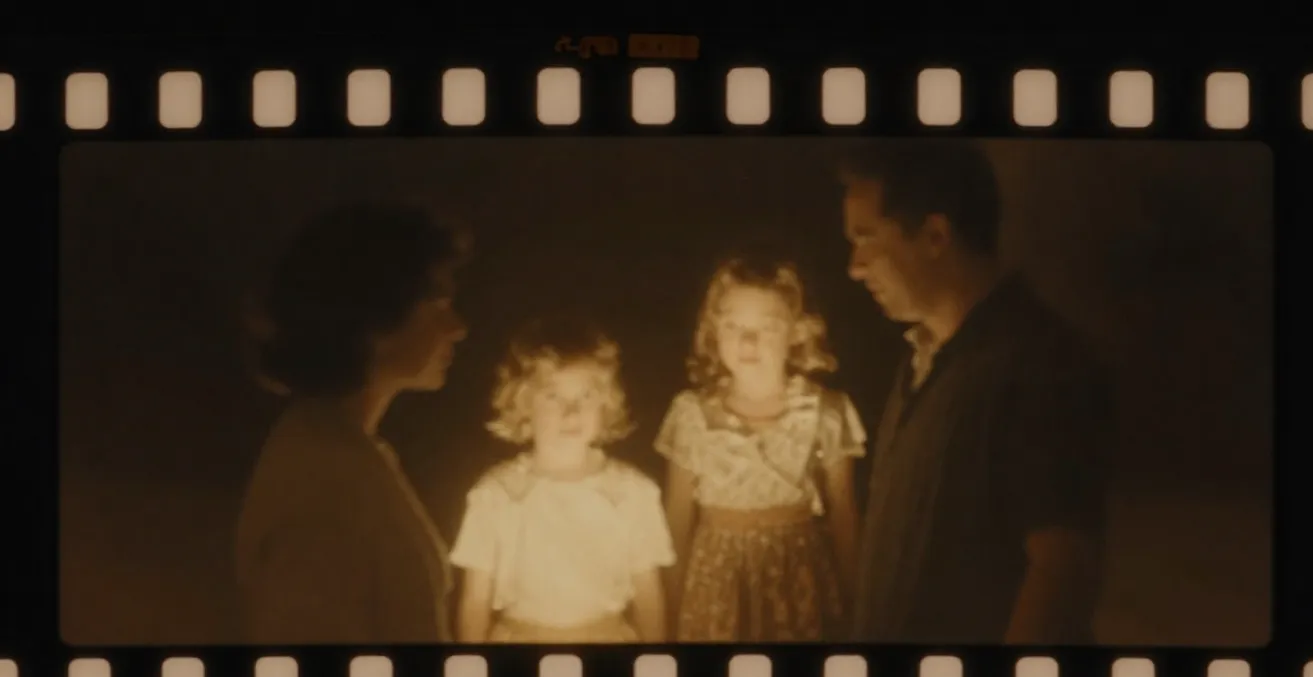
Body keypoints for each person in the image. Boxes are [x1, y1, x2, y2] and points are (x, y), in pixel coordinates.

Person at [840, 140, 1113, 645]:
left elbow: (1062, 566)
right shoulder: (923, 358)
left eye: (866, 238)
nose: (855, 266)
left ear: (935, 236)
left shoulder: (1039, 365)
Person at [234, 202, 470, 645]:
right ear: (376, 319)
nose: (457, 327)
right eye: (437, 304)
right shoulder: (322, 488)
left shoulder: (347, 452)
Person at [655, 252, 866, 642]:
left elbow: (844, 518)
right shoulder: (692, 414)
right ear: (713, 331)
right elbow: (676, 523)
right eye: (733, 326)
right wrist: (668, 618)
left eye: (766, 328)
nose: (747, 341)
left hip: (798, 586)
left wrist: (859, 608)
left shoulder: (824, 411)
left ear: (797, 332)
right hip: (716, 592)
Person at [451, 314, 675, 643]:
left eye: (586, 396)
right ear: (523, 403)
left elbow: (649, 598)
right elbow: (474, 602)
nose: (571, 412)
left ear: (606, 402)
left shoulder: (632, 493)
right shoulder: (496, 494)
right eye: (553, 396)